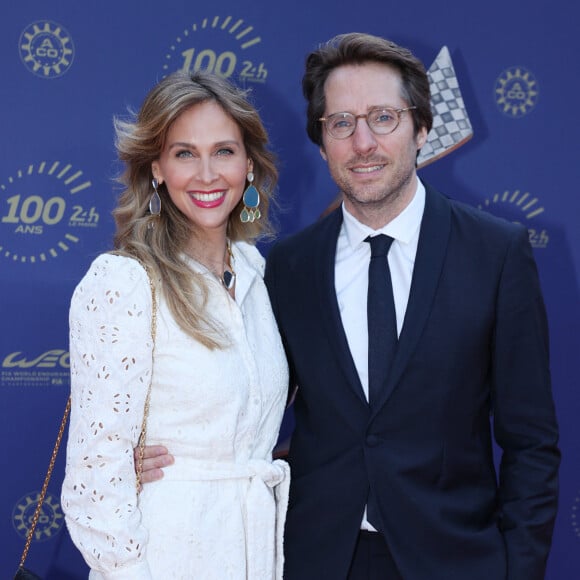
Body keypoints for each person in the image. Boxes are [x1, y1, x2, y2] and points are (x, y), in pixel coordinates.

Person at [140, 33, 561, 579]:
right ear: (321, 142)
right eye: (341, 123)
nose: (362, 142)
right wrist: (135, 457)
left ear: (422, 129)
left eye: (383, 117)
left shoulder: (496, 254)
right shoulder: (285, 269)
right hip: (316, 559)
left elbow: (531, 443)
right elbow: (244, 397)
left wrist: (517, 569)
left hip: (455, 560)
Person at [61, 70, 290, 580]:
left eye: (224, 151)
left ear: (249, 165)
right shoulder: (123, 283)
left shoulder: (256, 275)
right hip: (163, 560)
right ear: (157, 168)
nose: (207, 174)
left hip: (253, 555)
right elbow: (94, 481)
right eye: (185, 153)